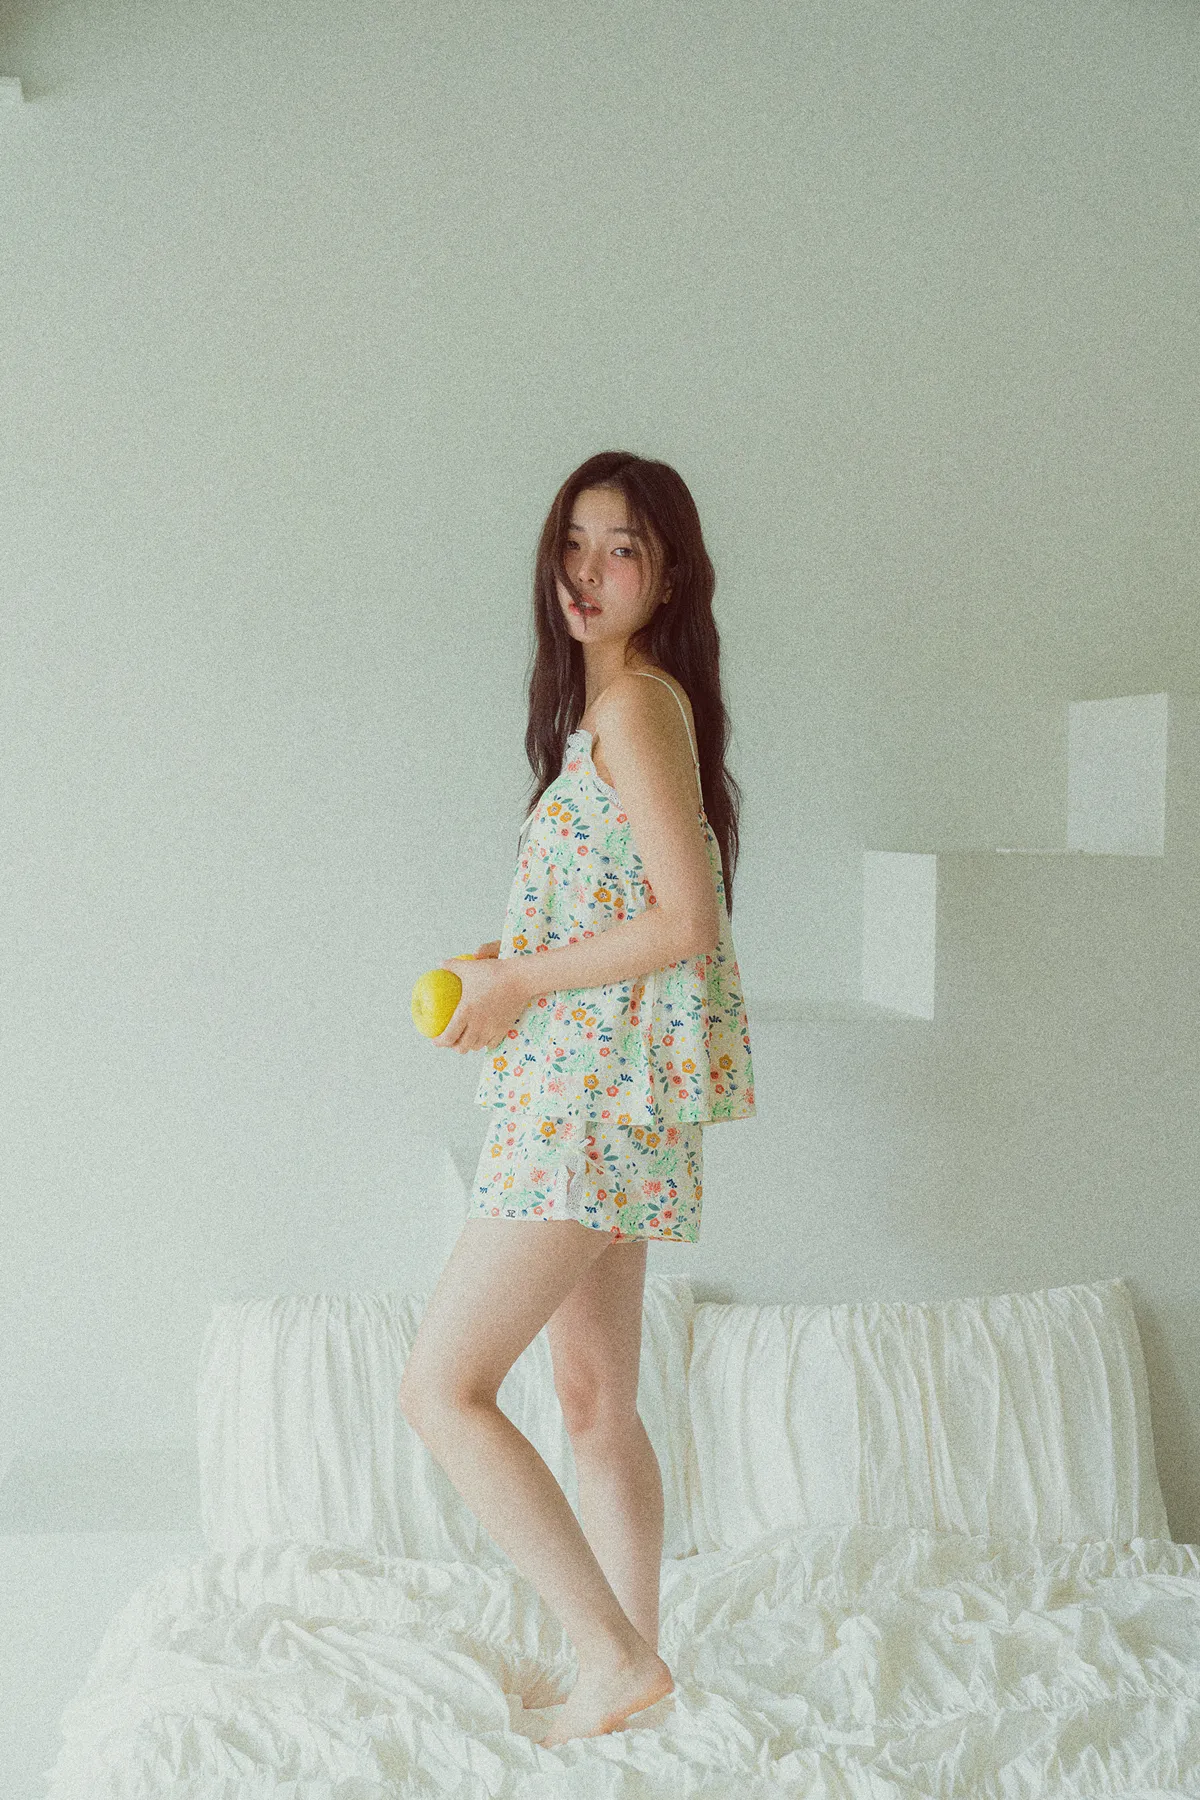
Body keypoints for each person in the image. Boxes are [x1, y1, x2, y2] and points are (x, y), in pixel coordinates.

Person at [398, 451, 755, 1747]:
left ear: (669, 576)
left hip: (587, 1111)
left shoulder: (639, 710)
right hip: (608, 1101)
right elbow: (625, 908)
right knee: (597, 1401)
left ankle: (611, 1657)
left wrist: (520, 982)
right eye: (575, 544)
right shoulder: (615, 715)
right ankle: (635, 1677)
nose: (588, 573)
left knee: (441, 1389)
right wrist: (508, 964)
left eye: (622, 550)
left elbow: (686, 923)